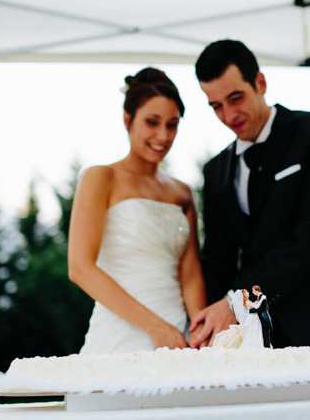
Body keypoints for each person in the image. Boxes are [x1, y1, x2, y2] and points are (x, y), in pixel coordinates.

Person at [189, 39, 310, 348]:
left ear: (260, 82)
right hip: (261, 341)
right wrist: (210, 326)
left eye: (235, 98)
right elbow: (218, 260)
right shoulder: (216, 171)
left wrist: (236, 302)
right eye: (216, 106)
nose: (228, 115)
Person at [68, 67, 208, 354]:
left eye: (172, 124)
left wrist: (200, 331)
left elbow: (190, 273)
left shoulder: (183, 193)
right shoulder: (100, 177)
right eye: (152, 122)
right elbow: (80, 268)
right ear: (127, 119)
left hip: (179, 336)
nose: (163, 135)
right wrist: (155, 327)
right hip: (122, 333)